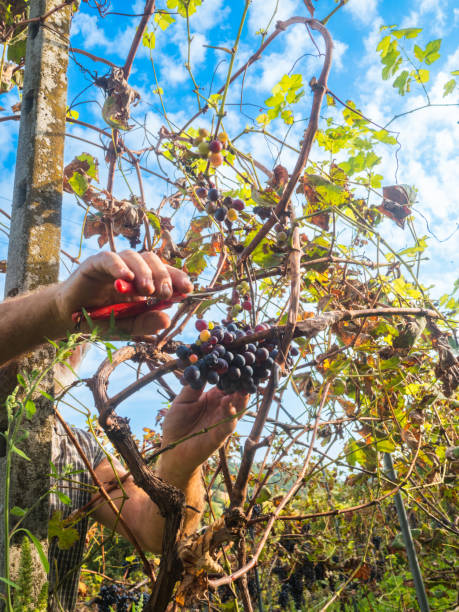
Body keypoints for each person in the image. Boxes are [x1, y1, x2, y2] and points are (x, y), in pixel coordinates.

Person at [0, 250, 248, 610]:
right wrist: (54, 311)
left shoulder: (80, 453)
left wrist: (181, 460)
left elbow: (156, 533)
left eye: (73, 336)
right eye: (41, 335)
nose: (54, 346)